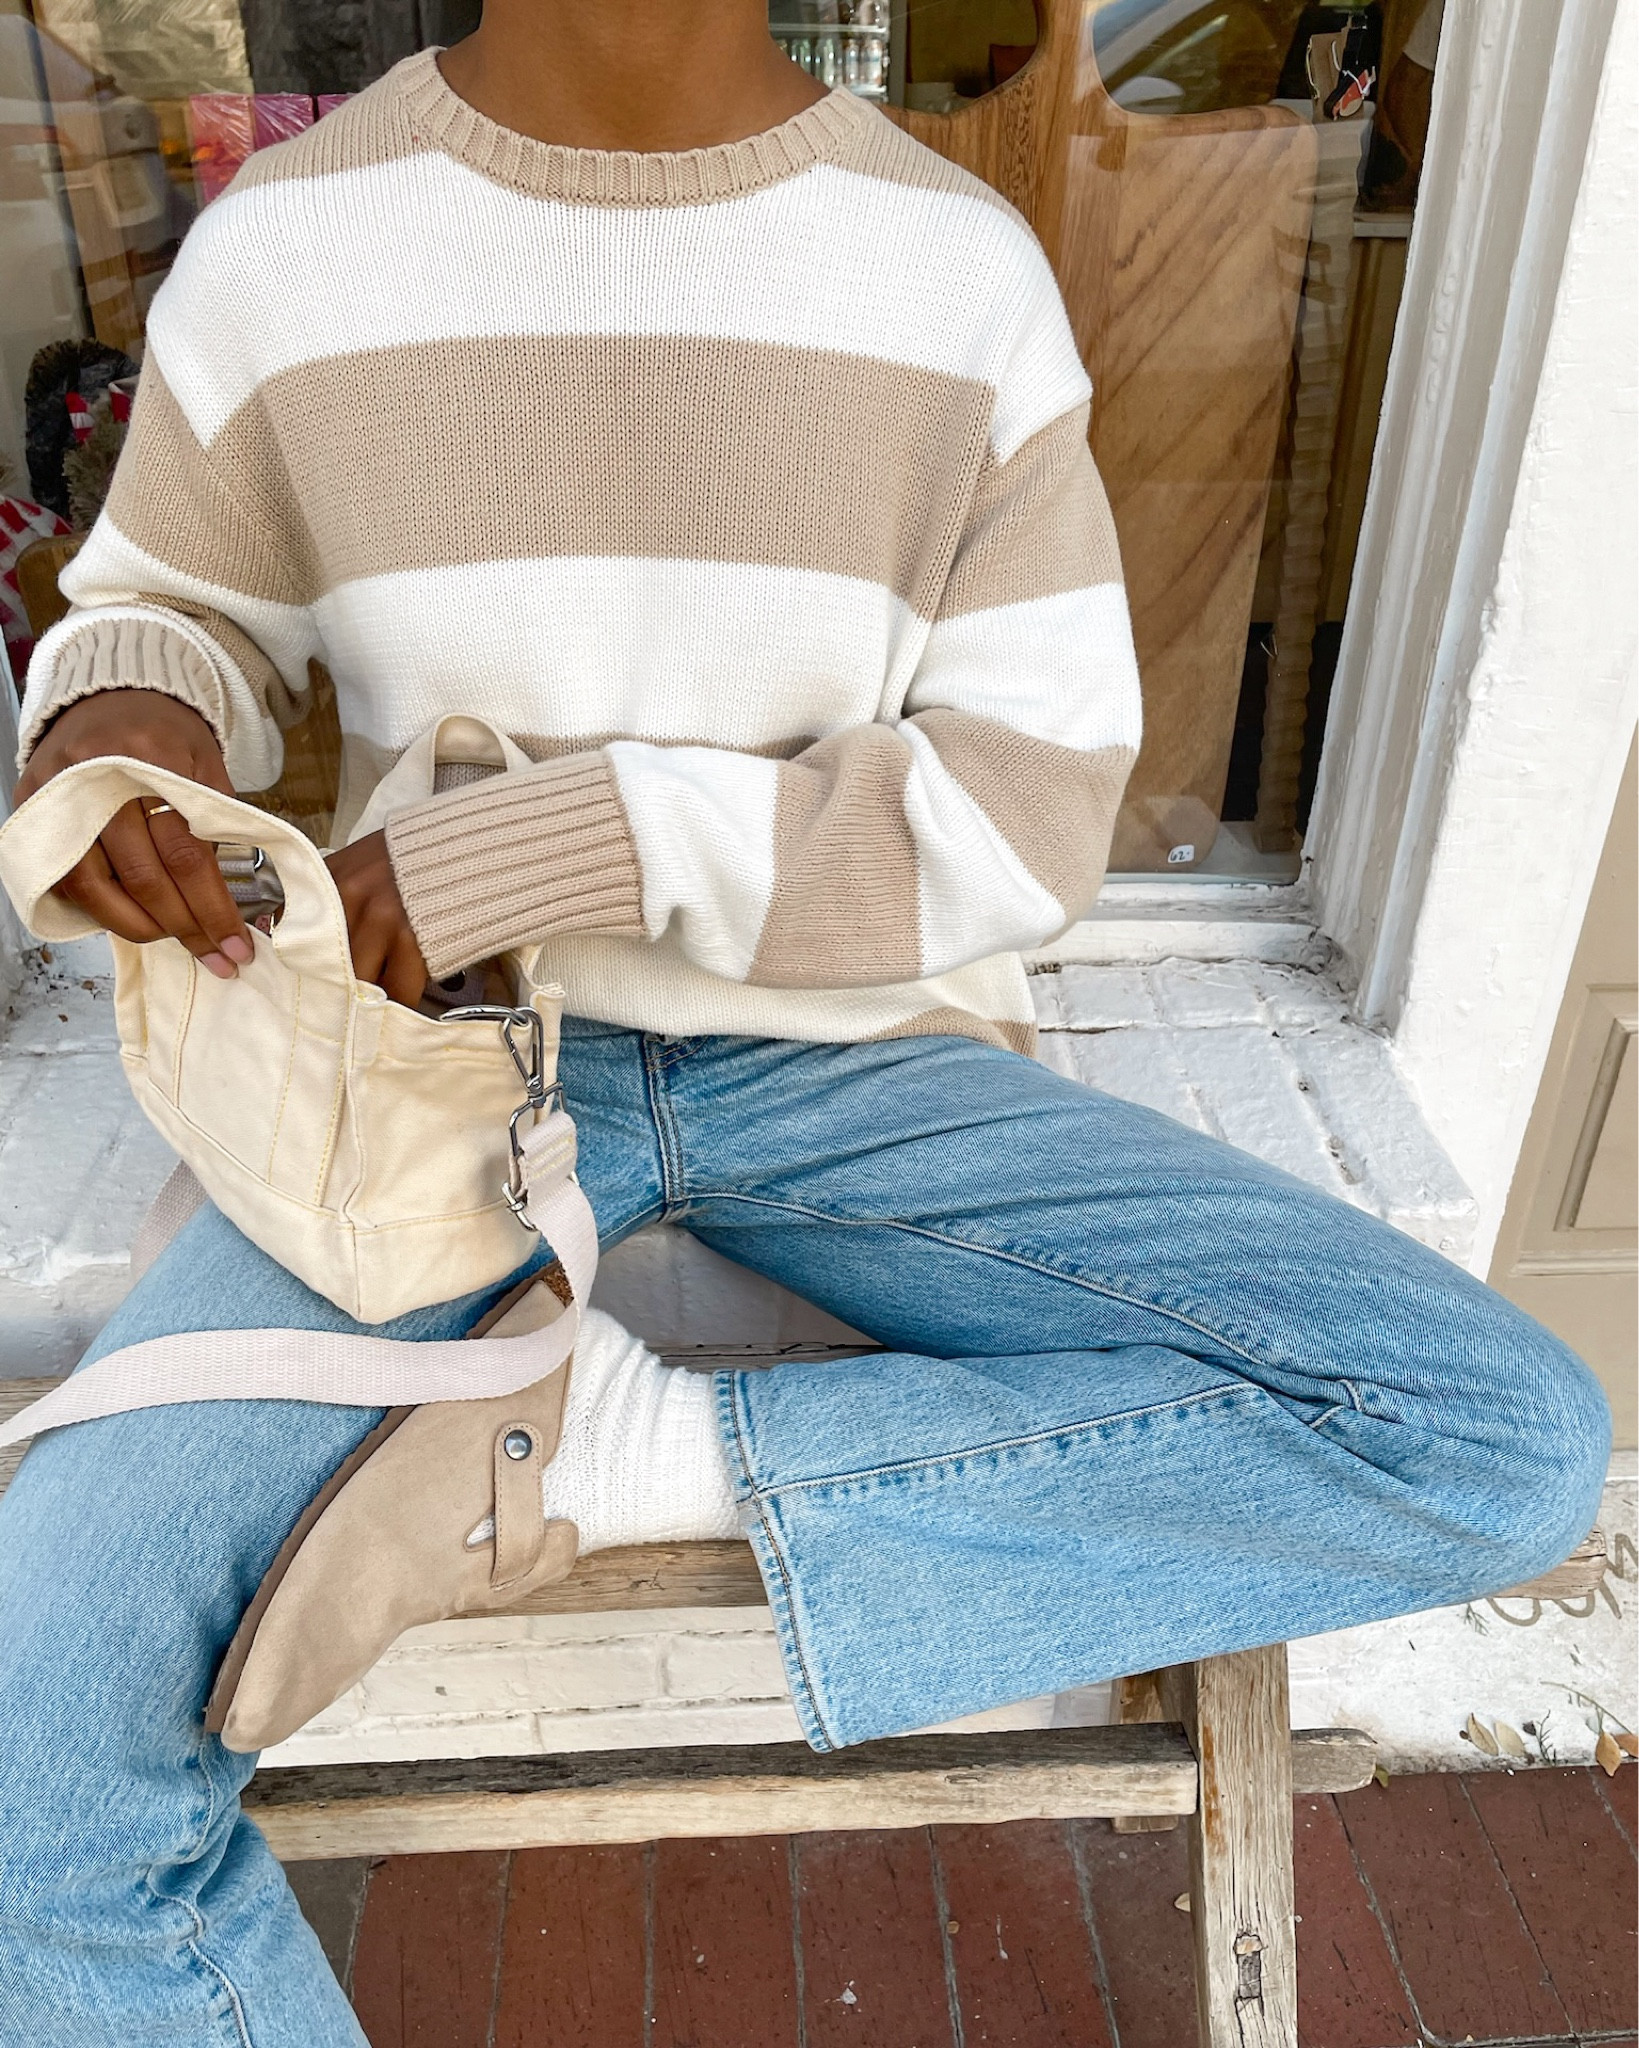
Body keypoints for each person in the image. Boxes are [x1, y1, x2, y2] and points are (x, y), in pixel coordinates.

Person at [0, 2, 1609, 2040]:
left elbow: (1026, 804)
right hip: (438, 1079)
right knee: (27, 1784)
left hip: (872, 1061)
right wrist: (128, 733)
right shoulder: (290, 245)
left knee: (1495, 1435)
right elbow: (171, 604)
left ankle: (609, 1449)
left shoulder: (949, 270)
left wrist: (562, 840)